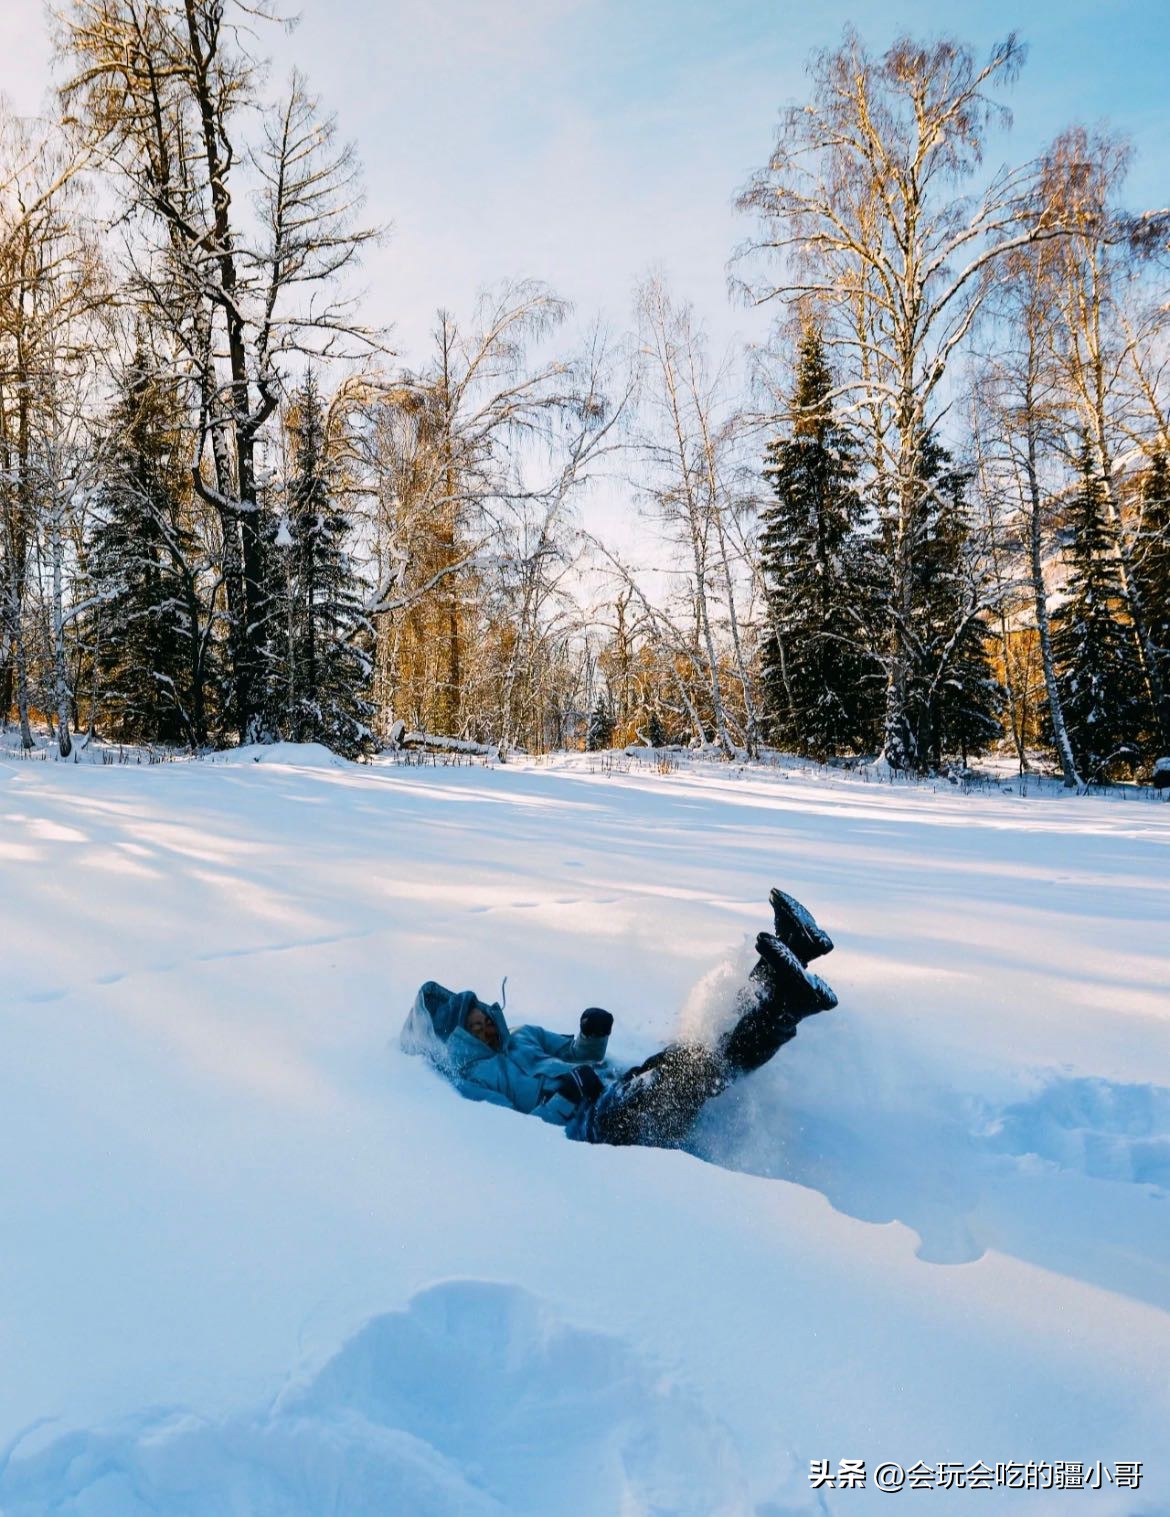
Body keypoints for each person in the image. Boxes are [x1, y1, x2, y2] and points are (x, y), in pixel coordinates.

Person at [401, 888, 837, 1151]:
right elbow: (516, 1137)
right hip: (596, 1129)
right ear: (462, 1042)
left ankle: (790, 955)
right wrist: (565, 1100)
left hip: (612, 1089)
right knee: (695, 1073)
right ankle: (787, 1005)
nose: (486, 1027)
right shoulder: (476, 1082)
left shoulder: (523, 1036)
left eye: (481, 1016)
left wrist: (590, 1035)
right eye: (475, 1030)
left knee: (692, 1057)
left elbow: (573, 1053)